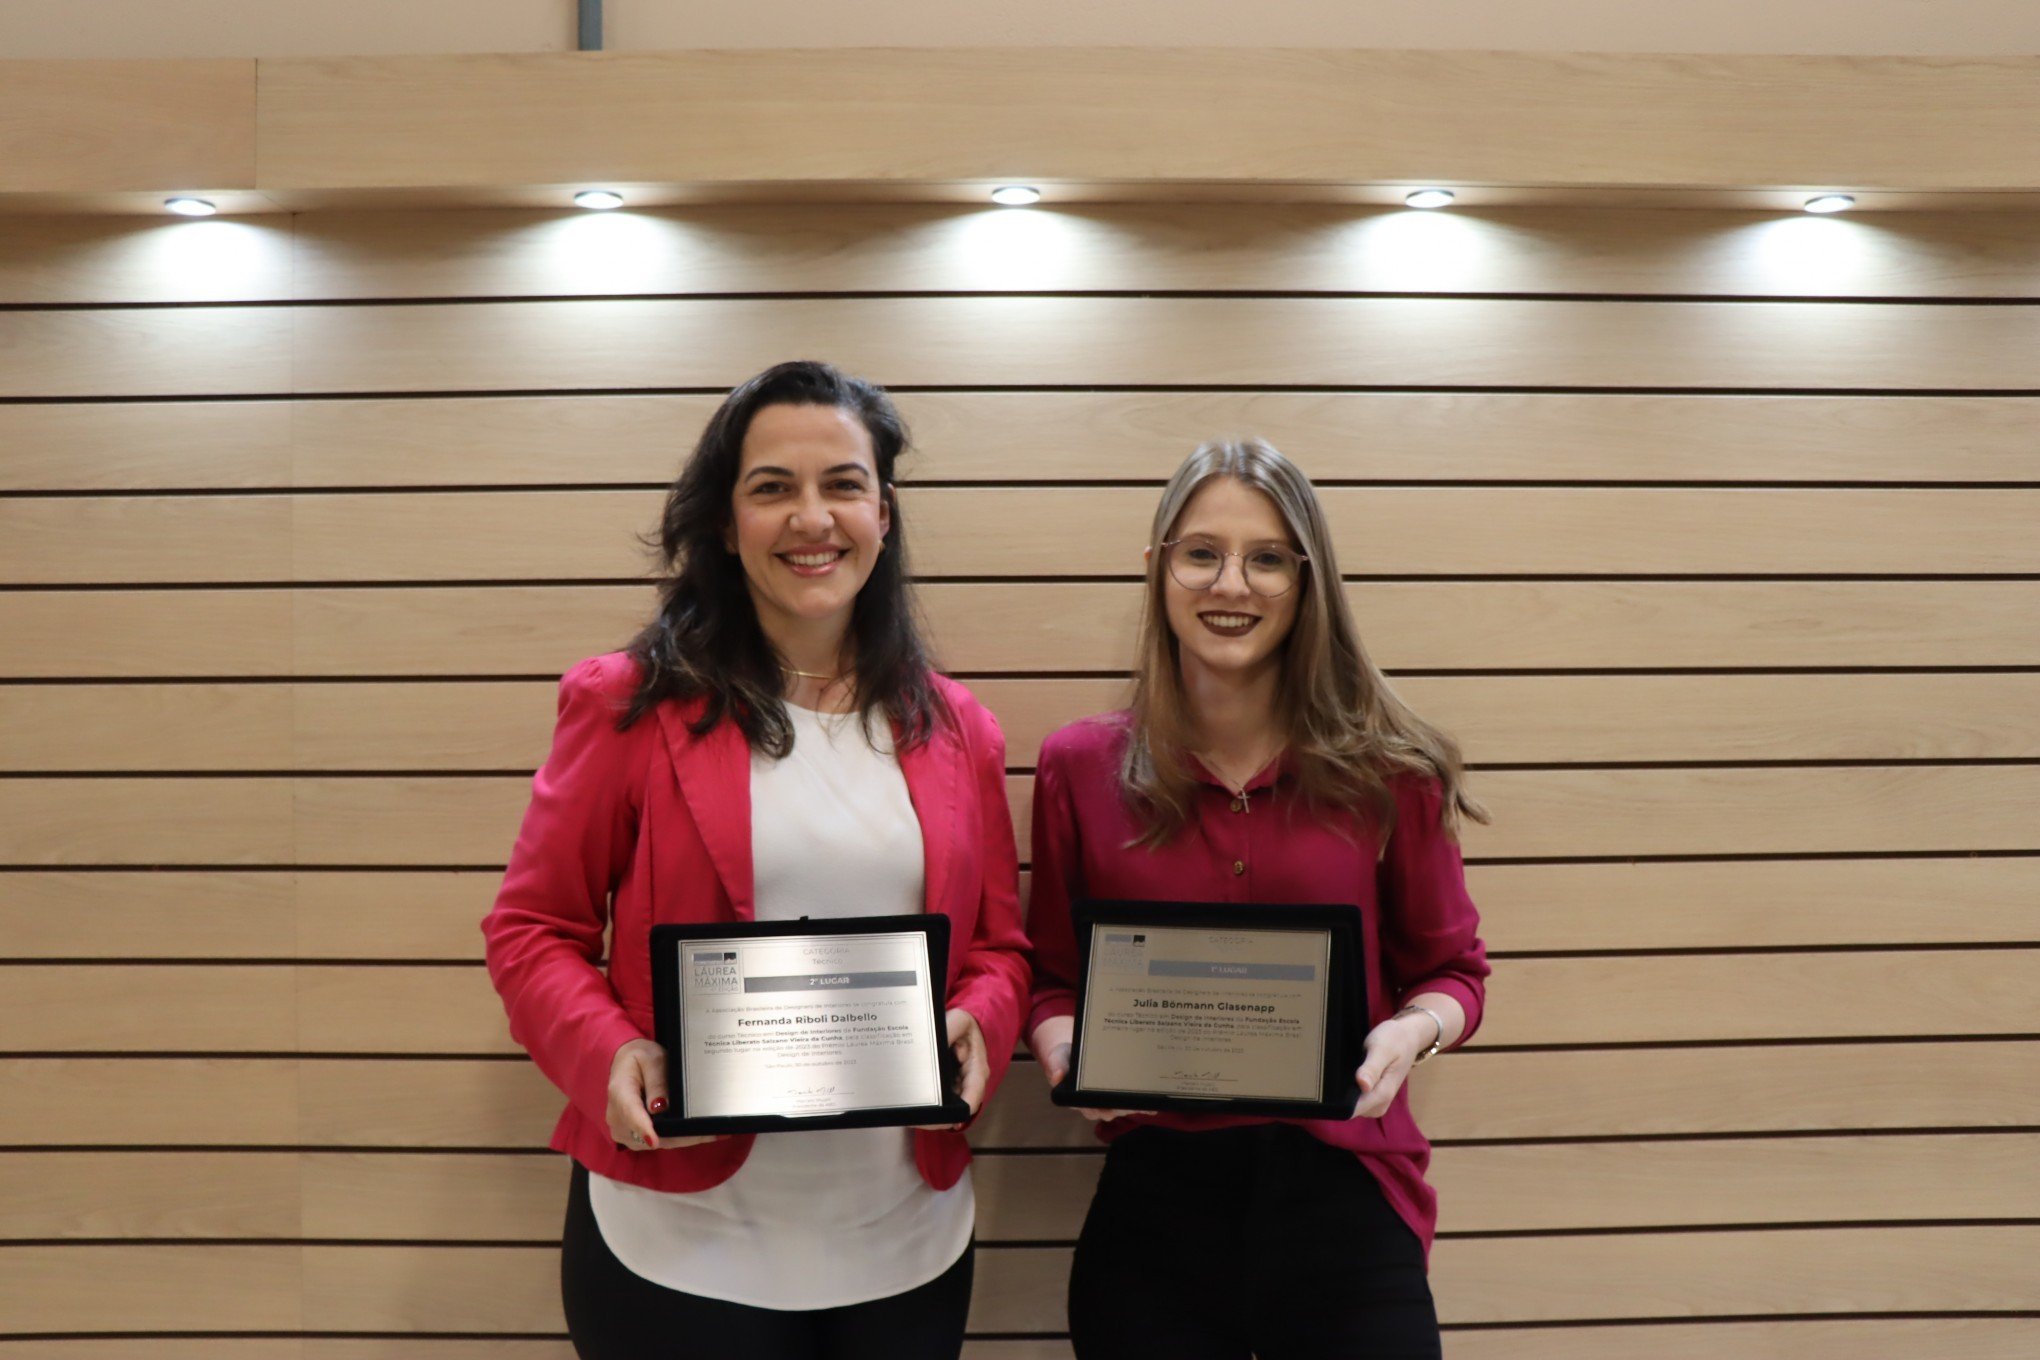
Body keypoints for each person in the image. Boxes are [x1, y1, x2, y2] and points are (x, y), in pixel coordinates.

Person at [482, 360, 1030, 1360]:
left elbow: (999, 950)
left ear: (885, 512)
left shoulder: (962, 731)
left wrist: (980, 1022)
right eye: (772, 487)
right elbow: (531, 930)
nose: (811, 517)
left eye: (843, 485)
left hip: (903, 1243)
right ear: (726, 523)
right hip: (678, 1246)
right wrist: (610, 1057)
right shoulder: (625, 705)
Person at [1025, 438, 1490, 1360]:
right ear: (1157, 570)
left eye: (1267, 558)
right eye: (1202, 553)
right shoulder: (1078, 765)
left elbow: (1452, 973)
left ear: (1308, 581)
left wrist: (1409, 1033)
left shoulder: (1392, 772)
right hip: (1154, 1204)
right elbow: (1048, 978)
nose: (1230, 584)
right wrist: (1065, 1049)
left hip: (1346, 1189)